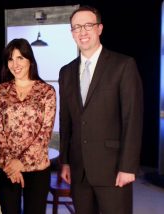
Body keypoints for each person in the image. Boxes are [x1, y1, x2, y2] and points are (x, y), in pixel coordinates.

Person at [58, 5, 143, 214]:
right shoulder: (66, 72)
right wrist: (65, 161)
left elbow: (132, 118)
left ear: (100, 28)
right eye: (76, 27)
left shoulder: (123, 65)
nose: (82, 32)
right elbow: (66, 120)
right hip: (79, 170)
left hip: (113, 168)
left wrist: (128, 167)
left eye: (88, 25)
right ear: (71, 33)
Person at [0, 38, 56, 214]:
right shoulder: (0, 91)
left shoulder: (47, 91)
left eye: (20, 58)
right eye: (11, 59)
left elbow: (45, 133)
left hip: (37, 167)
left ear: (30, 59)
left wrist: (20, 163)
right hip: (7, 167)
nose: (15, 64)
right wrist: (11, 165)